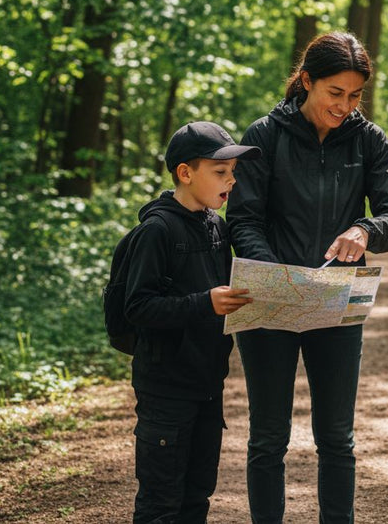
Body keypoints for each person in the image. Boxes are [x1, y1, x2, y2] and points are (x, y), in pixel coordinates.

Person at [227, 31, 388, 523]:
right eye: (336, 93)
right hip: (269, 300)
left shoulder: (369, 140)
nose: (345, 106)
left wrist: (364, 229)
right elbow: (243, 218)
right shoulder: (264, 135)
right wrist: (276, 275)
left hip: (337, 301)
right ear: (307, 81)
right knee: (268, 438)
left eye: (355, 96)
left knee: (337, 438)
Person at [123, 121, 261, 524]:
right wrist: (205, 303)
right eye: (220, 173)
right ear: (185, 173)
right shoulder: (156, 231)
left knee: (197, 495)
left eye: (233, 173)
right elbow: (139, 307)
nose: (231, 182)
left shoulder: (216, 226)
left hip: (206, 384)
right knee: (161, 502)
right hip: (165, 387)